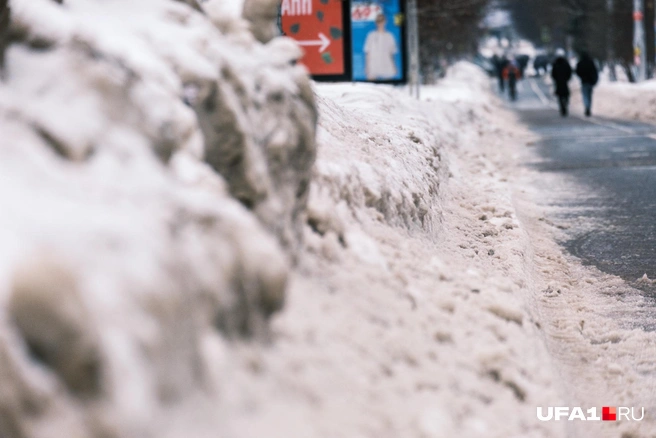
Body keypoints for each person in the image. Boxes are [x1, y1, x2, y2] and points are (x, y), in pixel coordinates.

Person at [364, 14, 398, 80]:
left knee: (388, 86)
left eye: (381, 20)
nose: (380, 23)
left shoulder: (390, 36)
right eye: (378, 21)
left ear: (385, 21)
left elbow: (392, 53)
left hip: (386, 65)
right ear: (376, 23)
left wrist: (394, 66)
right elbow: (367, 52)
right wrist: (367, 67)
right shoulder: (371, 35)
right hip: (373, 65)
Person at [576, 52, 599, 117]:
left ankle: (587, 106)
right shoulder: (591, 62)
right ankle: (588, 107)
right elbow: (595, 71)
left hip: (584, 82)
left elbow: (577, 71)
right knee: (589, 95)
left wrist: (582, 76)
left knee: (585, 95)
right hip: (590, 81)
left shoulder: (580, 63)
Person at [551, 49, 572, 116]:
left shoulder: (555, 63)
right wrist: (567, 78)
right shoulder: (566, 63)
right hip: (564, 81)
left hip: (559, 82)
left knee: (560, 96)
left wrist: (556, 79)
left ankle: (562, 108)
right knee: (565, 94)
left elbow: (553, 73)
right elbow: (569, 72)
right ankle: (565, 105)